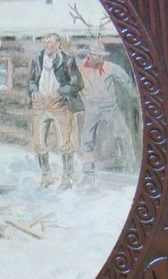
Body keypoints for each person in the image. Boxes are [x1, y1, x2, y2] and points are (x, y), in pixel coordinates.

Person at [27, 33, 84, 189]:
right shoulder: (38, 60)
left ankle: (67, 178)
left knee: (64, 142)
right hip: (40, 104)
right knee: (38, 143)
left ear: (58, 44)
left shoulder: (67, 60)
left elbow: (77, 83)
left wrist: (60, 92)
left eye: (52, 43)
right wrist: (34, 91)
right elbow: (32, 81)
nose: (48, 46)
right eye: (46, 43)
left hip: (60, 104)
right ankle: (46, 176)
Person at [77, 40, 138, 182]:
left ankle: (131, 166)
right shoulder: (80, 67)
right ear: (89, 54)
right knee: (87, 137)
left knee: (122, 134)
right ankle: (88, 169)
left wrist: (135, 95)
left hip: (109, 106)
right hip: (91, 106)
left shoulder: (110, 67)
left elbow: (125, 80)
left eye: (99, 55)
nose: (97, 57)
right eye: (94, 54)